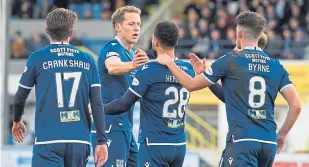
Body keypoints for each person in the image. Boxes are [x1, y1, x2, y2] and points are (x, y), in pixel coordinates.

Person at [156, 11, 302, 166]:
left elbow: (190, 85)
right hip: (268, 143)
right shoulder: (276, 66)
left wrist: (170, 64)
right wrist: (282, 134)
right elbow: (296, 106)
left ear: (239, 34)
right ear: (259, 35)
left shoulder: (230, 60)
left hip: (242, 142)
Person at [11, 8, 108, 167]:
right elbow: (97, 103)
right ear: (71, 33)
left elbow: (20, 96)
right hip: (79, 141)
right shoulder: (88, 59)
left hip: (49, 141)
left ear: (47, 31)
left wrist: (17, 120)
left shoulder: (37, 58)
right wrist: (102, 141)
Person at [103, 21, 195, 167]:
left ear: (155, 41)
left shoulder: (149, 70)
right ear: (176, 41)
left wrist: (96, 108)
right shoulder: (188, 69)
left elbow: (123, 104)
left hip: (155, 144)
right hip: (179, 144)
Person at [91, 6, 148, 167]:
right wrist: (133, 64)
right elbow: (112, 67)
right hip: (110, 126)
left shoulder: (131, 53)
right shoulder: (112, 47)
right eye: (131, 24)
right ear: (118, 27)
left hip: (126, 126)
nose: (136, 28)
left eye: (138, 24)